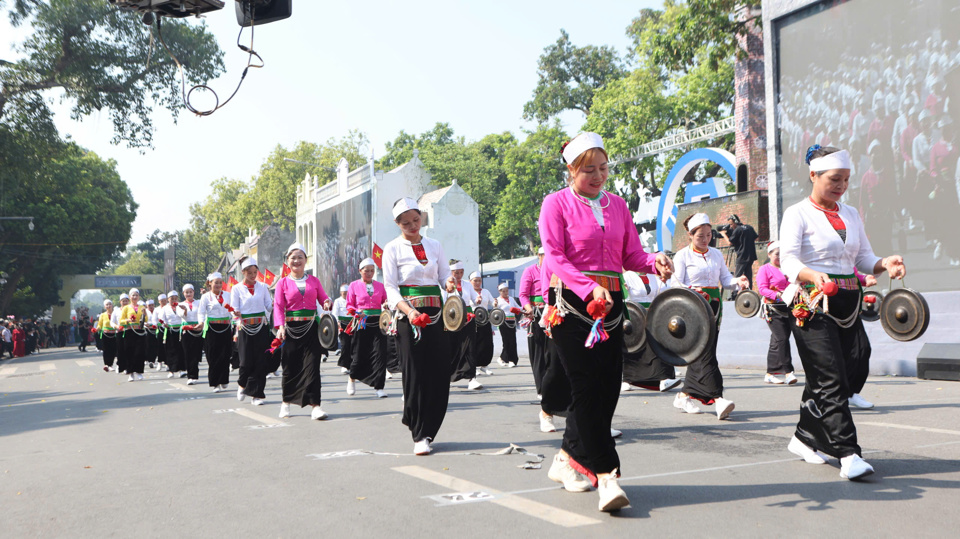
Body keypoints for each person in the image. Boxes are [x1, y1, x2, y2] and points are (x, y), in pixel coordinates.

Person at [539, 132, 673, 512]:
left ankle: (567, 458)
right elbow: (555, 257)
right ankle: (607, 475)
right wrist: (586, 288)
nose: (598, 176)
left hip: (612, 306)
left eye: (603, 168)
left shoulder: (617, 206)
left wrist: (653, 261)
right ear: (571, 170)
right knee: (585, 387)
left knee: (608, 386)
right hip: (571, 306)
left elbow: (631, 254)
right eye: (588, 170)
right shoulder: (556, 204)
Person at [779, 145, 906, 480]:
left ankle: (804, 438)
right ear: (813, 175)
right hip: (811, 302)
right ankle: (848, 455)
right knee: (830, 378)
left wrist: (884, 263)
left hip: (848, 302)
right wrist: (811, 274)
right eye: (835, 179)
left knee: (850, 365)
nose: (841, 186)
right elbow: (789, 260)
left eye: (846, 180)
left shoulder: (850, 213)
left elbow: (863, 258)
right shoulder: (797, 213)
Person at [382, 197, 453, 455]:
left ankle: (430, 426)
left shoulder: (435, 245)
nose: (413, 226)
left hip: (436, 314)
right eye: (406, 223)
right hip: (408, 317)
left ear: (421, 217)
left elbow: (444, 274)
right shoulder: (392, 249)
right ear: (397, 224)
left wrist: (449, 284)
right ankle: (418, 432)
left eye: (416, 220)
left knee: (438, 371)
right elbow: (390, 287)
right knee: (415, 373)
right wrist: (410, 312)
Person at [670, 213, 749, 419]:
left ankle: (684, 394)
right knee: (704, 353)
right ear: (690, 235)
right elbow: (675, 284)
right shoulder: (682, 256)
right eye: (700, 236)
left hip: (714, 305)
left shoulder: (716, 254)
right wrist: (692, 289)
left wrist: (738, 281)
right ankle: (718, 398)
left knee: (705, 351)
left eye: (708, 235)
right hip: (692, 307)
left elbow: (724, 278)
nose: (705, 240)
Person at [274, 242, 331, 420]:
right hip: (291, 329)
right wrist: (281, 327)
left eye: (300, 257)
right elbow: (278, 306)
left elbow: (324, 298)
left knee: (313, 366)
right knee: (290, 366)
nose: (296, 261)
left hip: (311, 329)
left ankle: (315, 406)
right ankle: (286, 402)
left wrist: (327, 302)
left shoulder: (314, 281)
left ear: (306, 260)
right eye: (293, 258)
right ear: (287, 262)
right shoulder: (282, 283)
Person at [619, 271, 682, 393]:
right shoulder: (627, 276)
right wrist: (624, 290)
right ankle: (626, 380)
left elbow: (666, 289)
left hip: (653, 315)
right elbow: (624, 297)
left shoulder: (652, 277)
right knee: (632, 349)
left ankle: (664, 378)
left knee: (660, 344)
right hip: (634, 316)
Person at [344, 258, 390, 398]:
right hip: (361, 321)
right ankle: (352, 378)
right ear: (360, 271)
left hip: (378, 322)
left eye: (372, 270)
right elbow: (349, 305)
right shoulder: (354, 285)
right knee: (359, 353)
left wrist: (387, 304)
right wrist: (356, 312)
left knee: (380, 354)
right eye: (366, 271)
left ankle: (379, 386)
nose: (369, 273)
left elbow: (385, 300)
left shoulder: (380, 286)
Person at [756, 241, 799, 385]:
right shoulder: (765, 269)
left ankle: (770, 372)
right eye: (777, 254)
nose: (780, 257)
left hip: (789, 307)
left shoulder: (788, 269)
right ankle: (788, 372)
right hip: (772, 308)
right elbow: (762, 289)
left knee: (778, 339)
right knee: (782, 338)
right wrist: (778, 295)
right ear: (769, 254)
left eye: (782, 254)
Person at [232, 257, 274, 406]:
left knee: (260, 361)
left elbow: (268, 306)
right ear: (243, 272)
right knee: (245, 361)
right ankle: (242, 384)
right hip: (245, 328)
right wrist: (236, 316)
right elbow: (234, 308)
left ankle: (256, 395)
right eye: (249, 272)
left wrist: (276, 304)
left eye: (255, 272)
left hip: (261, 327)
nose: (252, 275)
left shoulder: (263, 287)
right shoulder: (236, 288)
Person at [444, 262, 483, 390]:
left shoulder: (467, 284)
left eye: (461, 272)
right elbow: (443, 301)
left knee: (470, 347)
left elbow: (474, 297)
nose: (459, 275)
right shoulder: (445, 284)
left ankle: (472, 378)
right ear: (451, 273)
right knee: (452, 346)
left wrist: (477, 300)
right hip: (452, 318)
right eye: (456, 273)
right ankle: (448, 376)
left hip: (467, 317)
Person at [198, 272, 234, 393]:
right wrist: (201, 322)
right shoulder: (205, 297)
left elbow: (233, 309)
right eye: (216, 283)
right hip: (212, 329)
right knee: (212, 355)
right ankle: (215, 382)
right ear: (210, 283)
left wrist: (235, 319)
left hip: (225, 327)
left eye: (220, 282)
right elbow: (201, 312)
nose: (218, 285)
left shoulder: (228, 295)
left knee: (225, 354)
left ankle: (224, 379)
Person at [519, 248, 547, 392]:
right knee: (538, 351)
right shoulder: (530, 271)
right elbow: (523, 294)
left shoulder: (555, 271)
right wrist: (528, 308)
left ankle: (553, 388)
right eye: (545, 256)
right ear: (539, 256)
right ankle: (541, 389)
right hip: (535, 313)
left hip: (552, 312)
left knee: (553, 352)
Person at [720, 215, 759, 291]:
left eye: (731, 224)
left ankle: (735, 294)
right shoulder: (749, 227)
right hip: (751, 255)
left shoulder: (738, 229)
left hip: (742, 256)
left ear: (735, 222)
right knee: (748, 275)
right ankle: (749, 291)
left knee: (737, 276)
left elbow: (730, 243)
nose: (731, 227)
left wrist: (723, 234)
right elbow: (756, 238)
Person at [117, 288, 148, 382]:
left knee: (139, 352)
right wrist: (128, 320)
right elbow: (121, 321)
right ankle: (130, 373)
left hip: (139, 332)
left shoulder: (141, 307)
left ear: (139, 297)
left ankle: (139, 371)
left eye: (136, 295)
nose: (135, 297)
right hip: (129, 332)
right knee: (129, 352)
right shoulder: (126, 308)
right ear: (130, 297)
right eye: (133, 295)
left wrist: (145, 314)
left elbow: (145, 320)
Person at [470, 271, 496, 376]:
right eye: (475, 281)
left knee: (487, 343)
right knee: (475, 343)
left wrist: (495, 303)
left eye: (479, 280)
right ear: (470, 281)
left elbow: (492, 301)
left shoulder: (485, 291)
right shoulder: (469, 291)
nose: (477, 283)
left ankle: (484, 365)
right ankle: (474, 366)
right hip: (473, 320)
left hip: (485, 320)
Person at [179, 284, 203, 385]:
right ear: (183, 293)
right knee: (188, 353)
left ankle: (195, 371)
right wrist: (184, 310)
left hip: (198, 329)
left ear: (193, 292)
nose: (188, 294)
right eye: (186, 292)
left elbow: (203, 313)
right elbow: (181, 316)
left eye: (190, 292)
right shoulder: (180, 304)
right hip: (186, 330)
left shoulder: (199, 302)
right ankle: (191, 375)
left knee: (197, 353)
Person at [158, 290, 186, 379]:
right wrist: (164, 324)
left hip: (180, 330)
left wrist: (184, 311)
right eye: (171, 299)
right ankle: (171, 370)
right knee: (171, 351)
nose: (173, 300)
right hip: (170, 330)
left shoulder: (179, 306)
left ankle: (181, 370)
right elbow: (161, 319)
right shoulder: (165, 308)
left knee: (181, 350)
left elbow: (184, 316)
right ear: (168, 299)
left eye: (175, 298)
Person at [493, 283, 521, 367]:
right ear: (500, 292)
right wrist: (495, 306)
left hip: (512, 322)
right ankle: (508, 359)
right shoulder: (498, 300)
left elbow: (518, 307)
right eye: (503, 291)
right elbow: (495, 312)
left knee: (513, 341)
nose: (505, 293)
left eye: (507, 291)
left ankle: (510, 359)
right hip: (503, 322)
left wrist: (525, 308)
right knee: (506, 341)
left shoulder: (511, 299)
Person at [332, 284, 351, 372]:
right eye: (343, 293)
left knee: (352, 345)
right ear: (340, 293)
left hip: (352, 324)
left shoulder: (352, 300)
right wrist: (337, 323)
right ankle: (344, 365)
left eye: (347, 293)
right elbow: (335, 313)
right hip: (342, 324)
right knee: (345, 344)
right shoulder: (337, 301)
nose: (345, 295)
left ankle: (350, 364)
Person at [95, 300, 119, 371]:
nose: (108, 306)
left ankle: (111, 365)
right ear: (105, 306)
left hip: (114, 334)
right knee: (106, 350)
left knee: (113, 350)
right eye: (107, 305)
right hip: (105, 334)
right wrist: (96, 329)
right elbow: (100, 325)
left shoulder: (115, 314)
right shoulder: (102, 315)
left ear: (112, 305)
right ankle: (106, 364)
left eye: (109, 304)